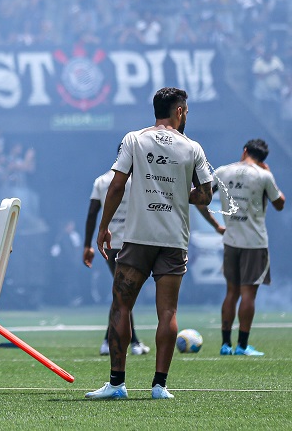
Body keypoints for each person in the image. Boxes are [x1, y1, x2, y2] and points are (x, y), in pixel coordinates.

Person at [86, 87, 213, 401]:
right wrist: (181, 193)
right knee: (167, 312)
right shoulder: (193, 147)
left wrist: (103, 228)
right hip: (174, 240)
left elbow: (116, 186)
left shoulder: (134, 139)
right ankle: (159, 386)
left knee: (121, 305)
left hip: (139, 238)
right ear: (180, 111)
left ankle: (117, 384)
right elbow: (206, 195)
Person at [197, 139, 284, 357]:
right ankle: (242, 346)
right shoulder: (264, 175)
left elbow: (200, 200)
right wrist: (268, 174)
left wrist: (216, 226)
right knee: (248, 295)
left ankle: (225, 345)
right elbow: (280, 203)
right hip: (254, 243)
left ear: (244, 150)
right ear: (263, 159)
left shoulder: (223, 172)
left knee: (231, 292)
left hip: (231, 241)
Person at [83, 148, 150, 356]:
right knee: (123, 295)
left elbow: (92, 213)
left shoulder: (101, 181)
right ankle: (128, 342)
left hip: (111, 245)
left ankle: (114, 341)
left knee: (122, 293)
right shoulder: (140, 181)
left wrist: (88, 245)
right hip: (132, 242)